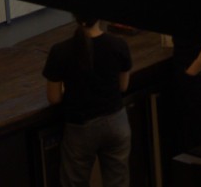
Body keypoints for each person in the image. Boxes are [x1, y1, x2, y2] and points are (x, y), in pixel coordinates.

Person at [43, 15, 134, 187]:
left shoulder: (60, 51)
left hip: (80, 127)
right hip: (116, 122)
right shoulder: (118, 44)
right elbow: (123, 86)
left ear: (74, 16)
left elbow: (54, 98)